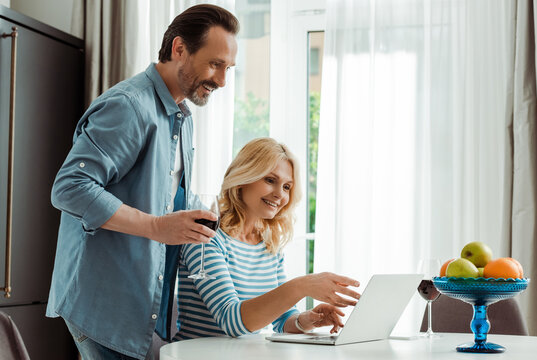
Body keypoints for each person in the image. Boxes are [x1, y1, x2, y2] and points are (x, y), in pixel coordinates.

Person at [46, 4, 239, 359]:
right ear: (179, 49)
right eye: (215, 64)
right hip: (103, 304)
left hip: (141, 304)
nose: (222, 80)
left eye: (228, 68)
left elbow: (165, 194)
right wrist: (156, 227)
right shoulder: (130, 106)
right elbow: (70, 187)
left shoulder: (181, 116)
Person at [174, 138, 360, 340]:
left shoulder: (269, 244)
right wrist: (302, 285)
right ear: (244, 177)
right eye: (270, 180)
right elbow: (231, 321)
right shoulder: (205, 236)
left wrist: (307, 320)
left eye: (287, 187)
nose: (280, 194)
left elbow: (282, 319)